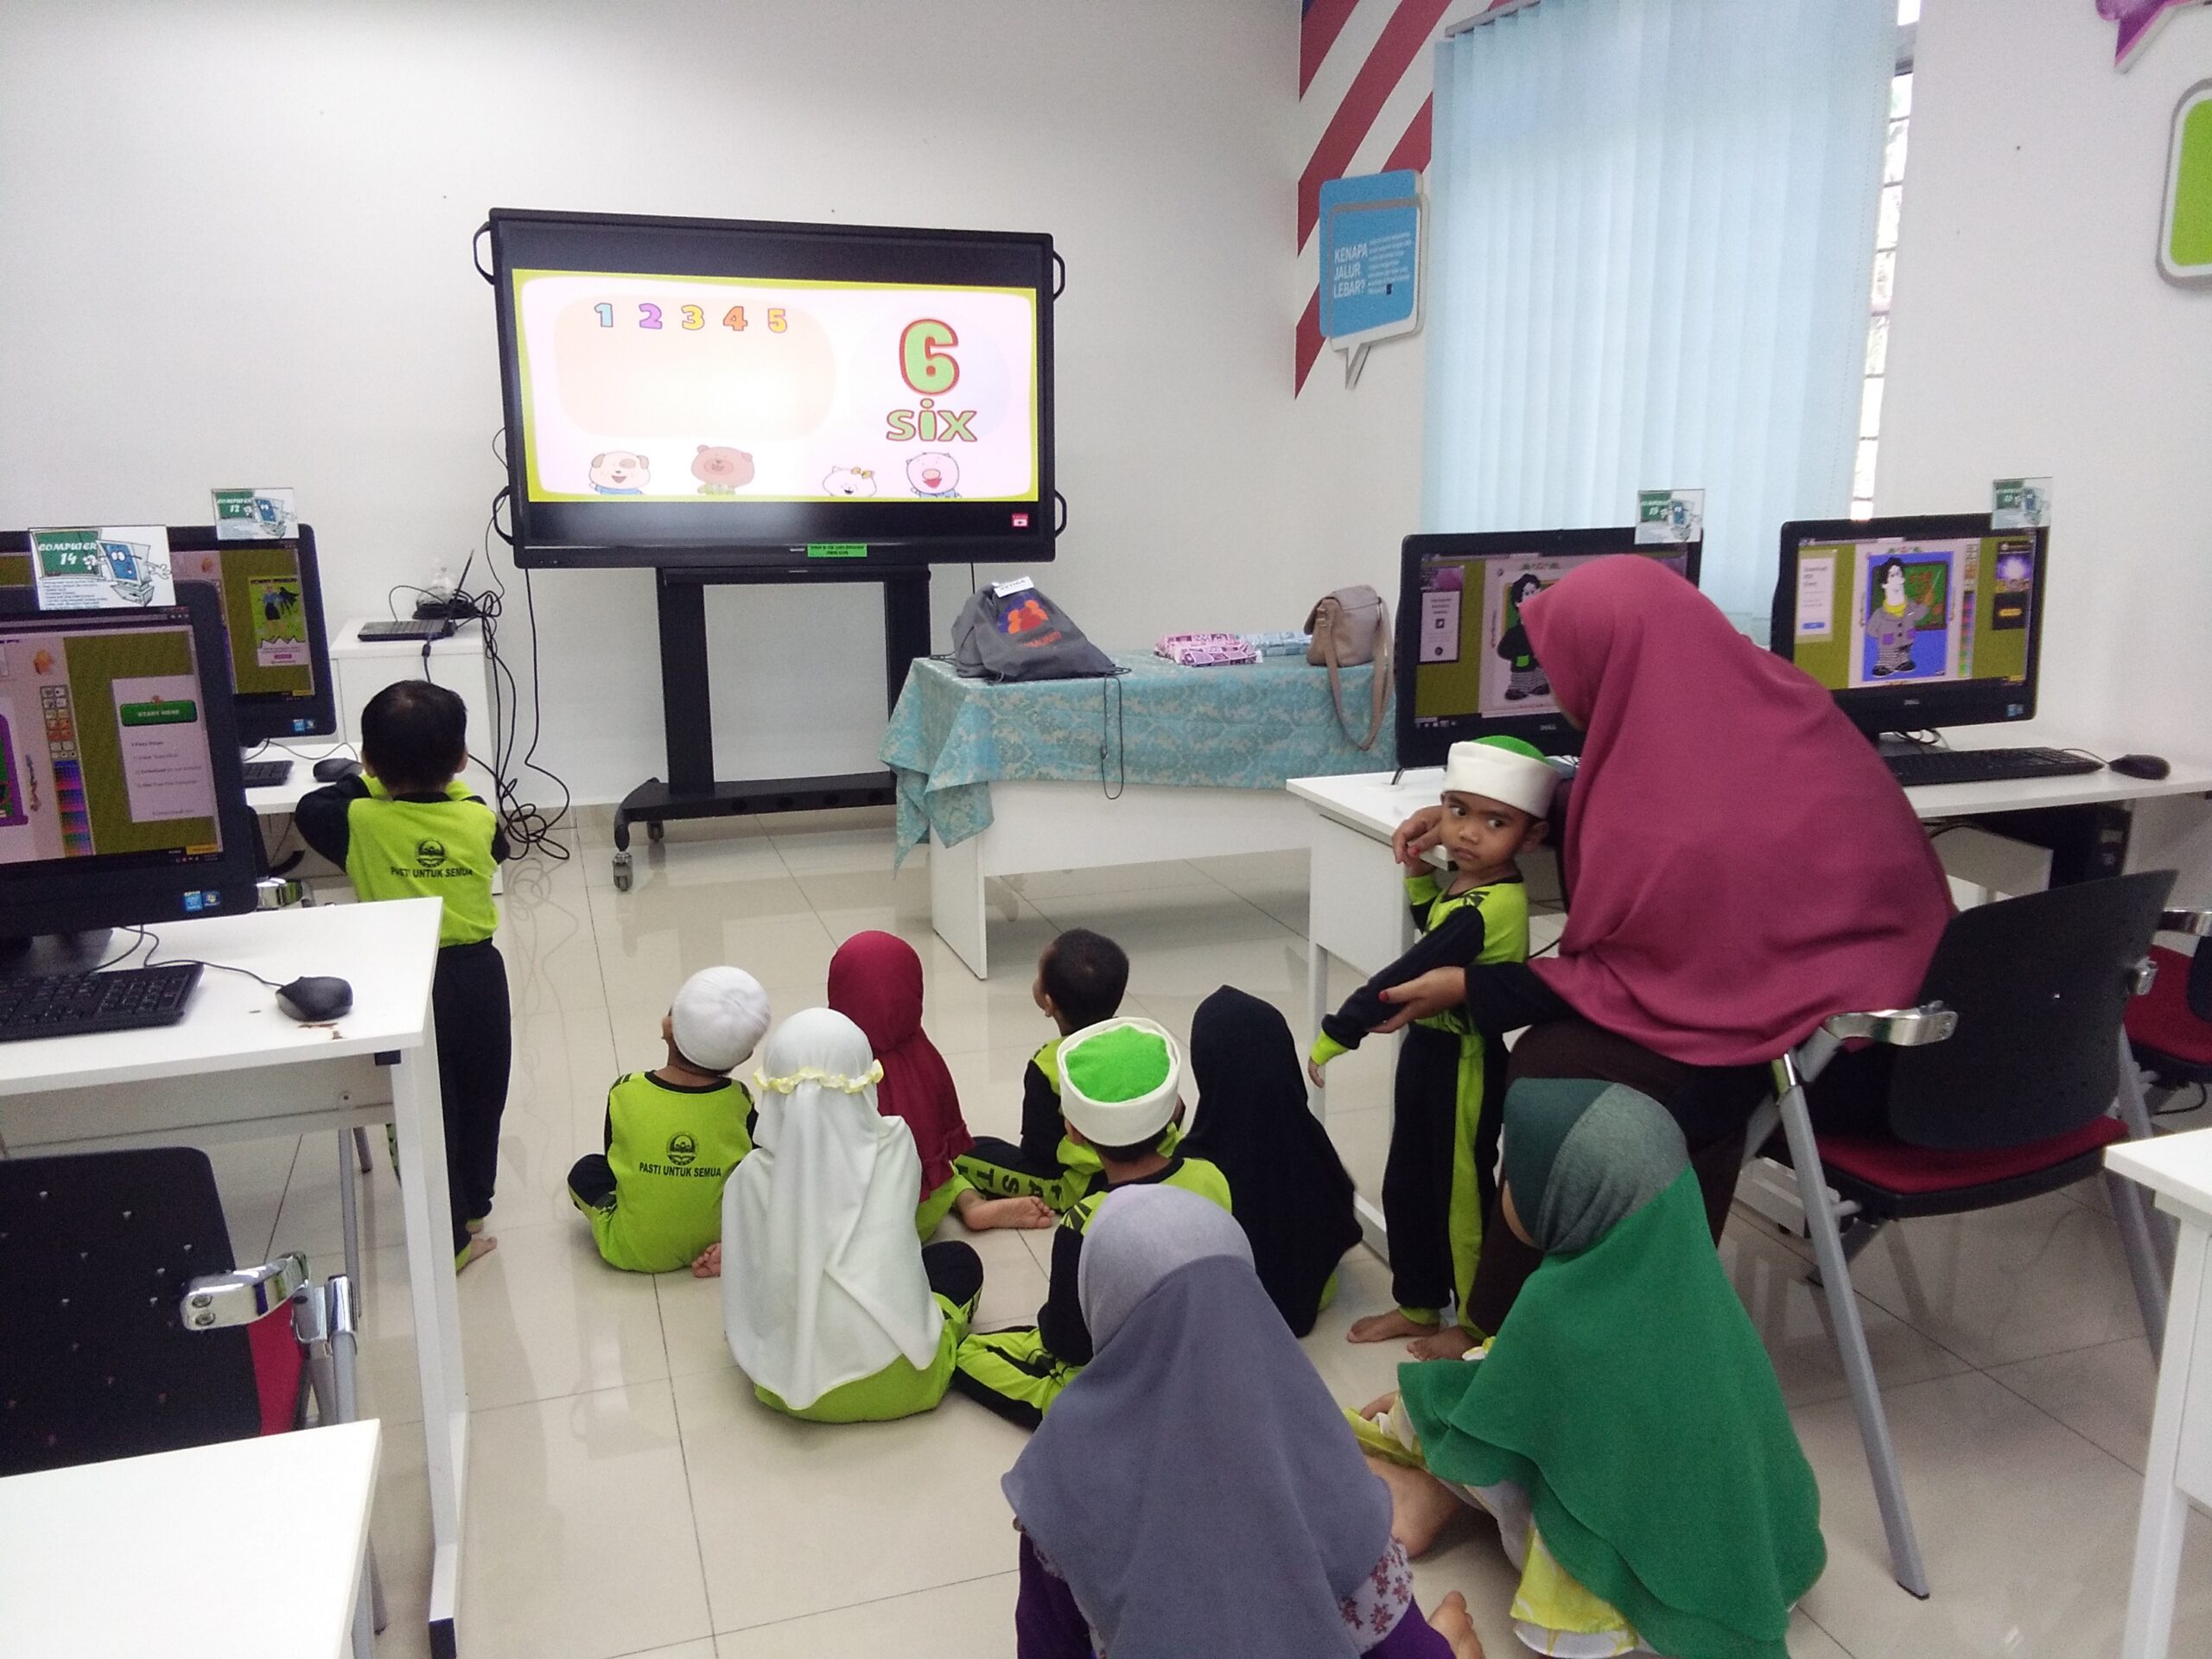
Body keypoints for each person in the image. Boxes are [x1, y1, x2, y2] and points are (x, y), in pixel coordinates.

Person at [1370, 556, 1950, 1336]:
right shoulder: (1776, 703)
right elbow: (1662, 796)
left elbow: (1639, 972)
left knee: (1549, 1072)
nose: (1557, 689)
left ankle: (1522, 1334)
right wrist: (1489, 811)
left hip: (1824, 1062)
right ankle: (1517, 1317)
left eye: (1561, 668)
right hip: (1908, 1025)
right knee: (1560, 1053)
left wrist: (1471, 989)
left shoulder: (1671, 824)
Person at [1354, 1078, 1825, 1659]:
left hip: (1637, 1604)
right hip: (1758, 1569)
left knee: (1481, 1415)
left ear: (1568, 1197)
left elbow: (1493, 1409)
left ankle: (1428, 1493)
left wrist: (1417, 1410)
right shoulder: (1695, 1285)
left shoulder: (1560, 1311)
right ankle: (1435, 1493)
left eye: (1516, 1173)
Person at [1003, 1185, 1484, 1659]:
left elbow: (1045, 1643)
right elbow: (1400, 1644)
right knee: (1449, 1632)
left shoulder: (1061, 1472)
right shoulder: (1312, 1442)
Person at [1310, 735, 1556, 1356]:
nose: (1468, 832)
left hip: (1464, 1064)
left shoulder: (1490, 906)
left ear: (1531, 836)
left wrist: (1338, 1033)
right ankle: (1419, 1305)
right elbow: (1435, 933)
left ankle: (1476, 1324)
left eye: (1495, 822)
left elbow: (1409, 971)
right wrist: (1421, 875)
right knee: (1408, 1184)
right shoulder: (1469, 888)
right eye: (1458, 810)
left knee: (1460, 1199)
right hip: (1427, 1052)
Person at [295, 680, 510, 1270]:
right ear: (461, 759)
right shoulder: (479, 818)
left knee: (423, 1107)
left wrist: (364, 778)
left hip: (404, 979)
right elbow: (498, 846)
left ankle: (447, 1236)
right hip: (479, 977)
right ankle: (473, 1207)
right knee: (482, 1096)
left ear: (369, 761)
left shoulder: (357, 820)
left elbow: (311, 808)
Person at [951, 1018, 1230, 1429]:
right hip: (1200, 1364)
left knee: (967, 1355)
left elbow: (1068, 1343)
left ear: (1074, 1130)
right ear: (1173, 1109)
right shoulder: (1212, 1176)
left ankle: (1085, 1417)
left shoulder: (1084, 1222)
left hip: (1123, 1384)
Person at [709, 1007, 984, 1422]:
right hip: (909, 1384)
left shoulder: (749, 1178)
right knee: (956, 1261)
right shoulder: (897, 1146)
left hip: (786, 1391)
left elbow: (748, 1282)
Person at [825, 931, 1053, 1236]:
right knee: (943, 1166)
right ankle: (970, 1202)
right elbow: (942, 1133)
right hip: (929, 1207)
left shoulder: (832, 1066)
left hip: (871, 1227)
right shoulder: (922, 1053)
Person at [1179, 984, 1360, 1336]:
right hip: (1316, 1293)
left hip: (1236, 1310)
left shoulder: (1197, 1164)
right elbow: (1340, 1212)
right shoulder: (1308, 1138)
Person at [566, 967, 769, 1274]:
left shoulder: (625, 1090)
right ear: (743, 1056)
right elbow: (758, 1160)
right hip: (720, 1237)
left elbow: (617, 1160)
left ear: (668, 1027)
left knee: (587, 1170)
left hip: (631, 1249)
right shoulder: (738, 1099)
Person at [955, 928, 1138, 1211]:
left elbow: (1039, 1151)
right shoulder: (1141, 1040)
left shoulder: (1049, 1064)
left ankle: (974, 1202)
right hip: (1147, 1168)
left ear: (1049, 1003)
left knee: (961, 1152)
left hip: (1079, 1186)